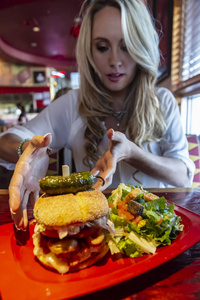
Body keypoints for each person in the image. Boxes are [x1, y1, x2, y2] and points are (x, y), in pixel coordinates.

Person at [0, 0, 195, 230]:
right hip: (92, 235)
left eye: (127, 46)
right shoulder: (73, 103)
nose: (115, 61)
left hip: (154, 233)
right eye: (102, 47)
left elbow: (184, 177)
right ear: (90, 51)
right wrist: (28, 150)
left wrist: (133, 153)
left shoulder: (163, 100)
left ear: (141, 46)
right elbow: (6, 140)